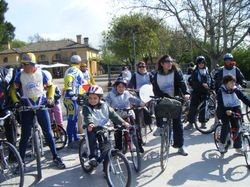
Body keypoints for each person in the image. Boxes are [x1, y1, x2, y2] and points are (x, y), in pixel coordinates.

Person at [12, 52, 65, 169]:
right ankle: (21, 162)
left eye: (28, 64)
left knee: (48, 133)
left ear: (33, 64)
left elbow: (51, 86)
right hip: (26, 107)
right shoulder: (19, 75)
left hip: (41, 105)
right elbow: (13, 90)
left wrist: (50, 98)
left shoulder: (42, 73)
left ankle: (55, 157)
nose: (25, 67)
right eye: (23, 64)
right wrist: (16, 101)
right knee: (25, 135)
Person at [151, 54, 190, 156]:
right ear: (162, 64)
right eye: (167, 61)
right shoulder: (156, 74)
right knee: (157, 108)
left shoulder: (176, 72)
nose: (170, 63)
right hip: (163, 98)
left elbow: (182, 83)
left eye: (171, 61)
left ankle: (180, 146)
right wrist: (158, 96)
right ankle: (159, 126)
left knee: (177, 123)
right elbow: (155, 88)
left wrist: (186, 93)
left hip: (175, 99)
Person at [82, 85, 130, 166]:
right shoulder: (86, 107)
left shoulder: (105, 106)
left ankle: (106, 168)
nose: (92, 100)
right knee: (92, 139)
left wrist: (123, 123)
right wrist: (90, 123)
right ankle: (92, 157)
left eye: (95, 98)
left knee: (106, 146)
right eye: (90, 98)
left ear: (100, 98)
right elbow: (87, 116)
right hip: (91, 128)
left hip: (104, 127)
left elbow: (114, 115)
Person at [105, 77, 145, 153]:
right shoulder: (111, 94)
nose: (121, 88)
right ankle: (118, 150)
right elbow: (106, 103)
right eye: (119, 86)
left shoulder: (127, 93)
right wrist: (110, 109)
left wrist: (141, 103)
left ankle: (138, 145)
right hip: (117, 117)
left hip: (127, 114)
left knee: (134, 130)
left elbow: (134, 99)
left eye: (123, 87)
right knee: (118, 133)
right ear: (115, 87)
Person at [216, 74, 250, 154]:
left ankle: (238, 147)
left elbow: (243, 98)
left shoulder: (235, 89)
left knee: (238, 126)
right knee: (226, 125)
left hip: (235, 108)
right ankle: (221, 143)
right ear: (226, 83)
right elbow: (220, 104)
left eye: (234, 82)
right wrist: (226, 111)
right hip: (224, 109)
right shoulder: (221, 91)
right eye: (231, 83)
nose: (233, 84)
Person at [184, 56, 213, 130]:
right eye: (200, 62)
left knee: (203, 108)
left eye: (203, 62)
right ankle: (190, 123)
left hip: (205, 92)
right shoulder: (195, 71)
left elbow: (210, 79)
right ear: (197, 63)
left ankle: (203, 123)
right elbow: (194, 81)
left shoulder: (206, 70)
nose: (201, 64)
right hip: (196, 92)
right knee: (193, 108)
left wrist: (210, 86)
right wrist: (202, 84)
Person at [63, 55, 85, 148]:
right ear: (79, 63)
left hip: (70, 98)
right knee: (72, 120)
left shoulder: (68, 69)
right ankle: (70, 141)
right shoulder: (75, 70)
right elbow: (69, 78)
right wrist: (70, 91)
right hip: (71, 98)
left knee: (74, 119)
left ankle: (75, 138)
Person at [0, 67, 17, 147]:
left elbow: (16, 86)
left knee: (11, 119)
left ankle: (12, 154)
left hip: (4, 108)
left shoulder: (6, 72)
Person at [78, 62, 96, 134]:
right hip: (82, 91)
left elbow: (92, 80)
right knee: (82, 109)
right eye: (82, 67)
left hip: (89, 91)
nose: (83, 68)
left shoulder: (88, 73)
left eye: (84, 66)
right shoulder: (79, 73)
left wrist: (94, 87)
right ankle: (81, 128)